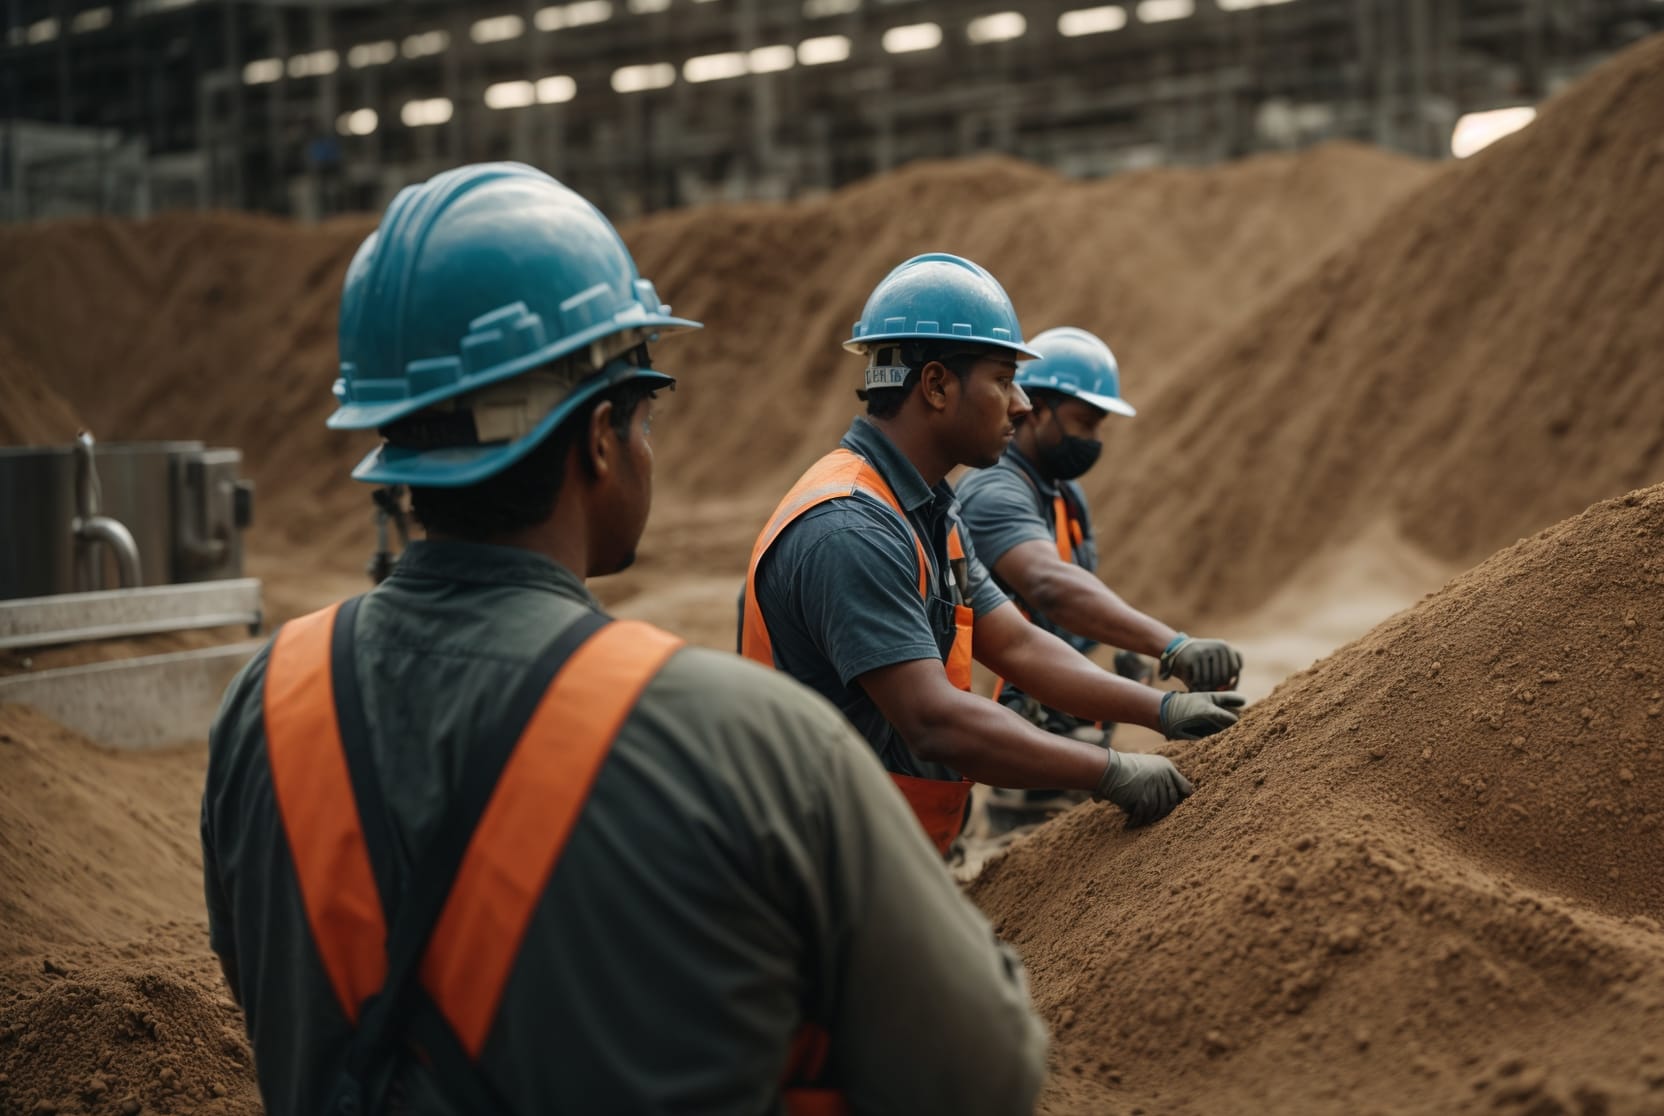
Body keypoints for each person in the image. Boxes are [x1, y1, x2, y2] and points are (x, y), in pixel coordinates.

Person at [201, 166, 1044, 1116]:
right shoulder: (746, 742)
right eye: (646, 414)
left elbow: (266, 980)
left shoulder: (265, 704)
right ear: (601, 437)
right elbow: (988, 1072)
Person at [739, 253, 1244, 857]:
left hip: (881, 847)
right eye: (1004, 379)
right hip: (814, 863)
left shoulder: (927, 511)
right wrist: (1108, 770)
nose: (1022, 403)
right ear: (935, 385)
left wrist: (1164, 708)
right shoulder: (851, 529)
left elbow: (1017, 644)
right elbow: (934, 720)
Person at [956, 326, 1244, 827]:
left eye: (1099, 426)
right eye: (1083, 423)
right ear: (1036, 407)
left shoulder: (1062, 494)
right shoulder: (995, 492)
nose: (1092, 440)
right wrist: (1172, 646)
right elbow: (1049, 586)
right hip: (1023, 733)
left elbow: (1071, 614)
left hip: (1071, 718)